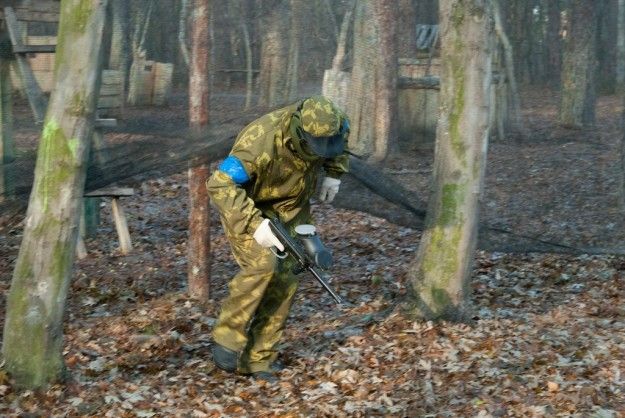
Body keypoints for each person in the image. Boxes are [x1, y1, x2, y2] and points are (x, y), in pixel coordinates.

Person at [206, 95, 350, 382]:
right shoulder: (262, 138)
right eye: (316, 144)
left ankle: (258, 360)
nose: (322, 150)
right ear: (299, 131)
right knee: (264, 264)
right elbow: (219, 185)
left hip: (292, 210)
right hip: (249, 206)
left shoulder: (336, 123)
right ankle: (227, 338)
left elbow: (339, 144)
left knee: (289, 276)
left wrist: (334, 172)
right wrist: (255, 224)